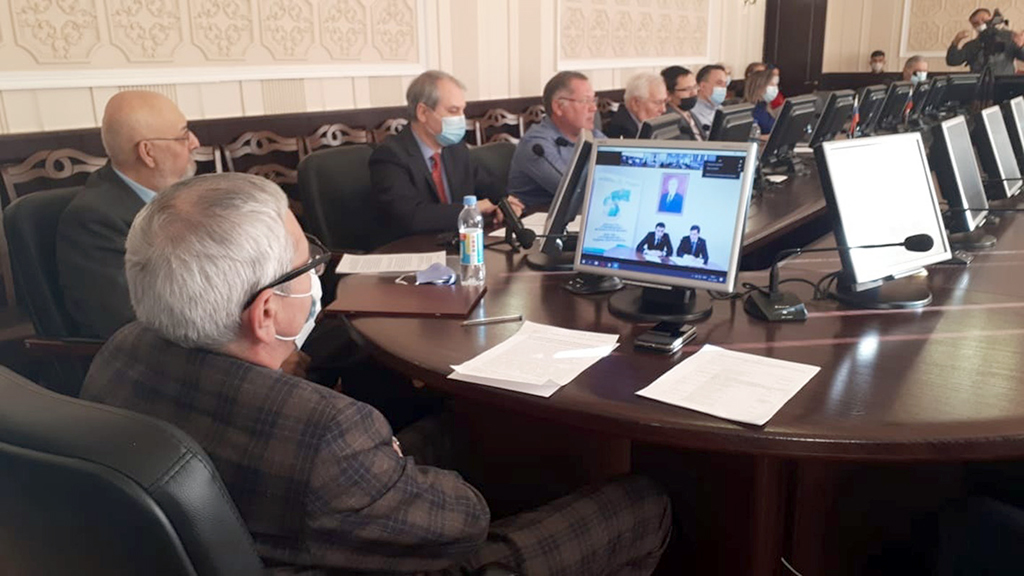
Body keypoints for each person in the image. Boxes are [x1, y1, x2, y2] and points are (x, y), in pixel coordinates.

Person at [79, 172, 672, 575]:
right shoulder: (328, 434)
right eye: (307, 264)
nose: (316, 275)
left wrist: (389, 458)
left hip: (260, 530)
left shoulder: (120, 353)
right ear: (266, 314)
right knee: (643, 501)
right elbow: (467, 523)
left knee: (459, 429)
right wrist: (387, 457)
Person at [55, 90, 200, 339]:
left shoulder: (183, 197)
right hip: (163, 353)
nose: (195, 142)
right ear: (148, 152)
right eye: (184, 135)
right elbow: (128, 323)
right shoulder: (93, 220)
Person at [369, 70, 522, 237]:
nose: (461, 119)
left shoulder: (455, 148)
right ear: (423, 112)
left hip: (458, 243)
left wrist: (505, 204)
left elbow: (488, 186)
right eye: (453, 111)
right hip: (414, 247)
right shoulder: (390, 155)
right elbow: (412, 216)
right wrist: (473, 209)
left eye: (462, 110)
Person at [506, 70, 606, 208]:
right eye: (585, 101)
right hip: (538, 218)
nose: (593, 108)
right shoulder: (536, 146)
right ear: (558, 107)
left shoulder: (593, 135)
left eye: (593, 100)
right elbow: (574, 193)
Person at [947, 8, 1024, 76]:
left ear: (991, 19)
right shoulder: (972, 45)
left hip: (1004, 83)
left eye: (984, 20)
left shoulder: (1008, 38)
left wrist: (1021, 46)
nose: (981, 24)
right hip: (980, 85)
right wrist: (956, 40)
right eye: (976, 23)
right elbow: (952, 61)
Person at [604, 72, 668, 139]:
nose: (663, 109)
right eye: (658, 103)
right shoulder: (622, 130)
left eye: (665, 102)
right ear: (636, 103)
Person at [661, 65, 705, 141]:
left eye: (695, 87)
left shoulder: (690, 114)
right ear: (668, 95)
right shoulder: (669, 122)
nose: (694, 93)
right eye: (687, 89)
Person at [691, 64, 728, 135]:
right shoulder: (692, 113)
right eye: (719, 83)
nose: (723, 88)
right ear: (703, 86)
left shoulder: (721, 109)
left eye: (725, 84)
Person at [743, 69, 778, 134]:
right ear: (759, 87)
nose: (775, 88)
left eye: (775, 85)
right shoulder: (750, 111)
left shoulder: (765, 107)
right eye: (771, 85)